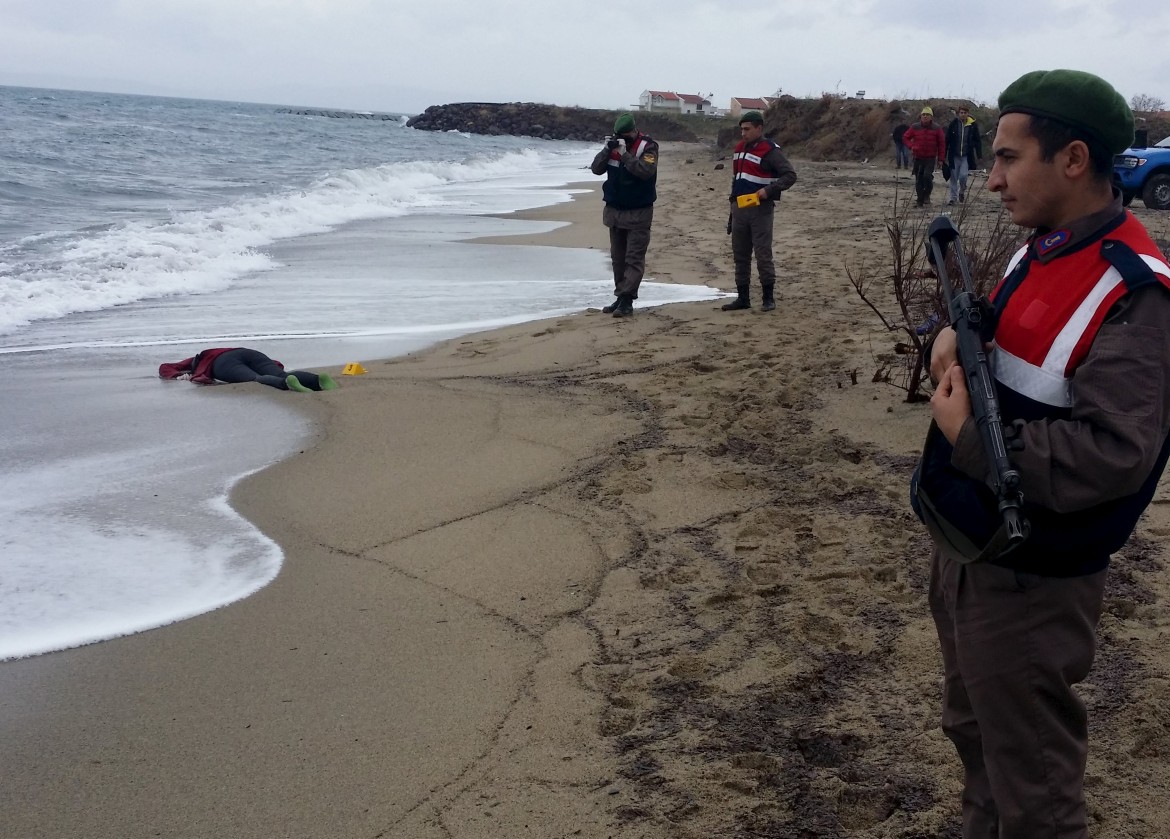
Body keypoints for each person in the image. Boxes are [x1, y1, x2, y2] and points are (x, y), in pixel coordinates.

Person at [913, 69, 1170, 837]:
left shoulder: (1137, 293)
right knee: (975, 735)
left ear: (1072, 159)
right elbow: (1014, 341)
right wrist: (954, 331)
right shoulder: (1043, 251)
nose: (989, 180)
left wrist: (968, 438)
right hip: (971, 543)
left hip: (1033, 576)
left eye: (1007, 158)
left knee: (1036, 783)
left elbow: (1113, 452)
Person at [721, 110, 797, 312]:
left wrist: (768, 191)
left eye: (747, 129)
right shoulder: (739, 148)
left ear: (759, 128)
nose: (743, 133)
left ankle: (768, 298)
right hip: (739, 208)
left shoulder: (770, 150)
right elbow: (736, 180)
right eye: (741, 129)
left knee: (763, 254)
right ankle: (743, 298)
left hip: (761, 209)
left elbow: (790, 175)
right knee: (740, 255)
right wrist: (732, 210)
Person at [590, 113, 659, 318]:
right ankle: (620, 295)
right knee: (618, 259)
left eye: (625, 136)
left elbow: (646, 171)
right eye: (618, 136)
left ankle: (627, 299)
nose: (622, 139)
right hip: (615, 210)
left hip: (639, 210)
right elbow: (595, 169)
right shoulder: (612, 147)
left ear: (633, 131)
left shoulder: (648, 147)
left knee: (633, 258)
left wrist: (625, 154)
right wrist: (606, 150)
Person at [159, 347, 338, 392]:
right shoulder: (221, 348)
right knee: (279, 373)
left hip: (222, 363)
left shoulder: (197, 360)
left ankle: (287, 385)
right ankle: (318, 381)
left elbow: (164, 367)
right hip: (249, 352)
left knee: (254, 378)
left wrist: (178, 375)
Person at [903, 106, 946, 207]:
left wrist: (941, 159)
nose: (925, 117)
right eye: (923, 115)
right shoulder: (915, 127)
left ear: (931, 117)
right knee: (918, 179)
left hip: (930, 158)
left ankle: (927, 195)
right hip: (918, 157)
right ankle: (919, 200)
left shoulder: (937, 128)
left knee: (927, 177)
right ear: (921, 116)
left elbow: (941, 144)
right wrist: (911, 146)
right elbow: (905, 137)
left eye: (927, 115)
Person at [945, 106, 982, 205]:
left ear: (968, 113)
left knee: (963, 176)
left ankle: (962, 190)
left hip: (966, 156)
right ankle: (953, 198)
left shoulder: (972, 125)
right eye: (961, 112)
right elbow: (947, 139)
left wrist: (979, 155)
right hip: (954, 155)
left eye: (965, 112)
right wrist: (943, 155)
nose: (963, 114)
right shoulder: (953, 124)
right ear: (958, 114)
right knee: (953, 177)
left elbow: (977, 141)